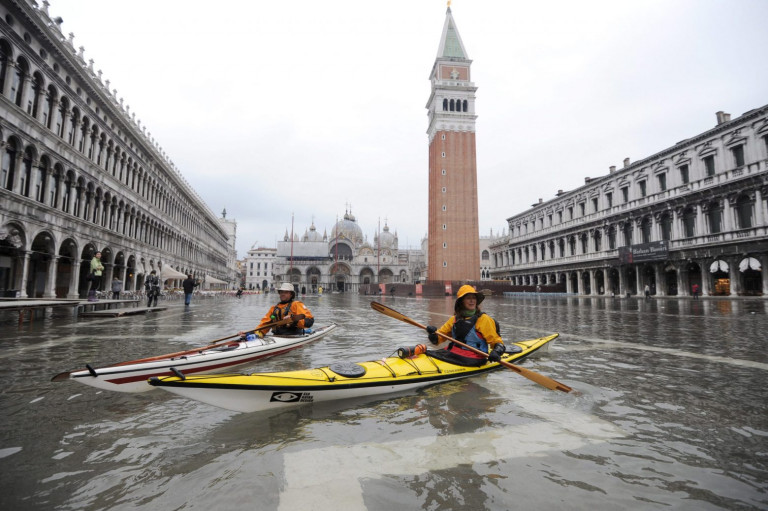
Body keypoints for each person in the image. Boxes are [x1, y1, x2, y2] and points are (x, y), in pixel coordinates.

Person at [424, 285, 519, 367]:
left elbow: (497, 342)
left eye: (474, 298)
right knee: (425, 353)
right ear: (461, 302)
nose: (472, 301)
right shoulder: (454, 319)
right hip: (453, 353)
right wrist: (433, 334)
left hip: (474, 358)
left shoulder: (483, 319)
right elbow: (437, 340)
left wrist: (496, 352)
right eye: (468, 298)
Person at [247, 282, 314, 338]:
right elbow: (264, 324)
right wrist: (255, 333)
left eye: (286, 292)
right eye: (281, 292)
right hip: (277, 336)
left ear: (291, 294)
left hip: (293, 336)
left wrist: (293, 319)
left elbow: (309, 321)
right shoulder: (274, 308)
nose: (283, 294)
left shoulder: (296, 304)